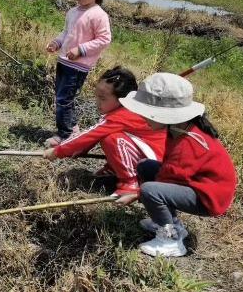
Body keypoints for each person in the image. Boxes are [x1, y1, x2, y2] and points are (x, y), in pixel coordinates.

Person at [117, 73, 237, 257]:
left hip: (208, 197)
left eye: (147, 114)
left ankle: (171, 239)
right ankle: (169, 222)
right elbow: (169, 168)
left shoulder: (189, 142)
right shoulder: (179, 128)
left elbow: (171, 178)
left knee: (150, 190)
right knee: (145, 166)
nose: (144, 118)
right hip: (196, 184)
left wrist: (136, 194)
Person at [43, 66, 166, 197]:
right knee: (109, 136)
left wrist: (58, 151)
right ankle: (115, 169)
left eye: (103, 98)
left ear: (121, 100)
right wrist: (83, 148)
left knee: (112, 139)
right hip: (150, 158)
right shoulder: (126, 110)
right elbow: (93, 136)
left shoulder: (122, 115)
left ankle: (130, 183)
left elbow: (90, 134)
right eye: (97, 96)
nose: (97, 102)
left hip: (155, 165)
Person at [45, 0, 111, 146]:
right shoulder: (73, 12)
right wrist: (57, 43)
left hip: (78, 65)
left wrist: (80, 50)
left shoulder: (98, 15)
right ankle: (72, 129)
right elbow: (66, 33)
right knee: (62, 97)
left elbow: (104, 39)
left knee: (64, 99)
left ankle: (65, 135)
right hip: (64, 61)